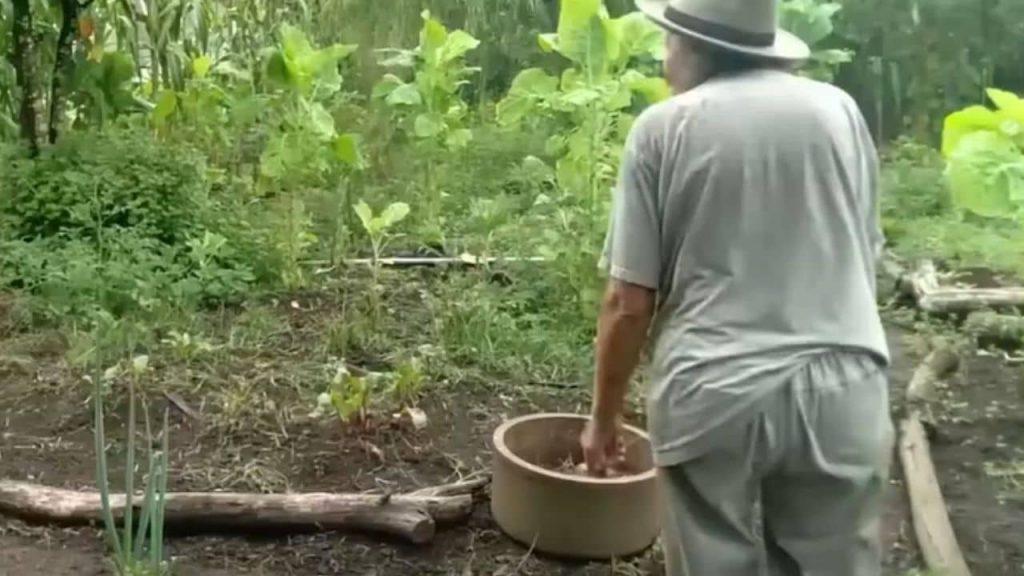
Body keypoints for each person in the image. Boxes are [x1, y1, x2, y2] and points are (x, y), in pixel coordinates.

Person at [579, 0, 892, 575]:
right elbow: (864, 254)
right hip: (844, 386)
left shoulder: (663, 128)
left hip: (712, 388)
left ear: (693, 48)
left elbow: (628, 304)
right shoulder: (840, 112)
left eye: (669, 43)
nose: (665, 56)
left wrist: (603, 418)